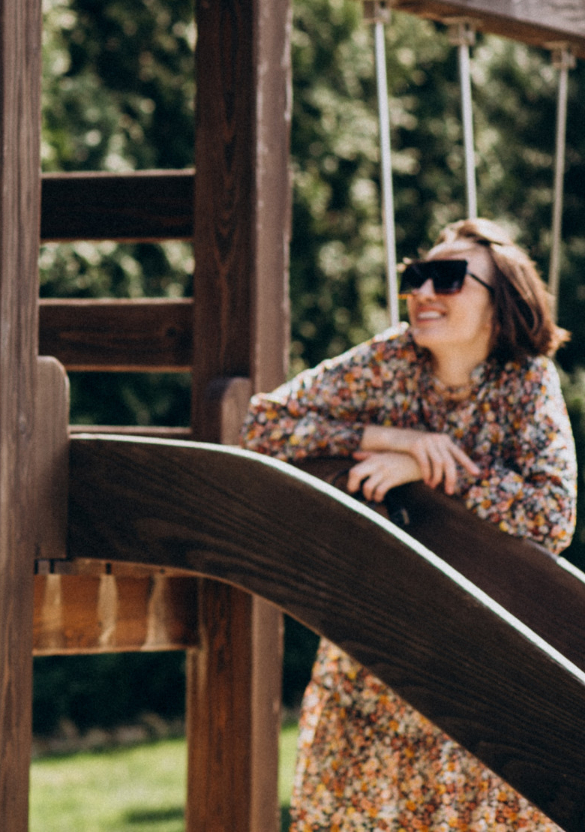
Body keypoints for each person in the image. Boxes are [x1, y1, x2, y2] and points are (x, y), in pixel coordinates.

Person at [243, 218, 576, 830]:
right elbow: (261, 425)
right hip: (376, 642)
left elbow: (552, 516)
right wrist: (393, 438)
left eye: (448, 279)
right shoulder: (390, 357)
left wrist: (429, 473)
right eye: (417, 276)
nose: (423, 292)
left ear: (501, 305)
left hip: (480, 655)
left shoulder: (527, 380)